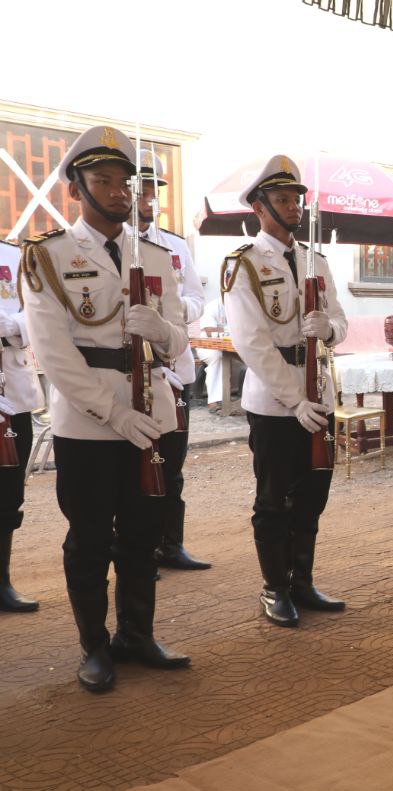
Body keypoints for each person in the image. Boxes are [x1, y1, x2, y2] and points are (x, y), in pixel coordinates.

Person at [21, 125, 191, 691]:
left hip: (152, 413)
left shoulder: (157, 256)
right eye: (103, 180)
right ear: (76, 189)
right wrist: (112, 413)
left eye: (125, 182)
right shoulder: (49, 256)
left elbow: (179, 339)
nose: (119, 191)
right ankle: (94, 645)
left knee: (143, 534)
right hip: (90, 425)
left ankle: (136, 635)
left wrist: (161, 329)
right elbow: (54, 354)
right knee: (90, 538)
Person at [223, 155, 349, 627]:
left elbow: (340, 320)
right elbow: (251, 342)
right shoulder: (244, 264)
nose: (293, 207)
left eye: (296, 199)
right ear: (259, 208)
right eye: (281, 199)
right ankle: (274, 587)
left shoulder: (317, 260)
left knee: (313, 494)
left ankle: (302, 582)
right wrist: (294, 400)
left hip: (318, 392)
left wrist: (328, 329)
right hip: (276, 402)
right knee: (273, 499)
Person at [132, 150, 210, 572]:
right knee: (134, 463)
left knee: (173, 460)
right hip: (132, 371)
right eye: (141, 190)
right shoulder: (115, 246)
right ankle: (136, 549)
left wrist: (172, 314)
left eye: (153, 190)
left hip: (175, 366)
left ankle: (171, 543)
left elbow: (196, 297)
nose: (149, 198)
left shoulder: (175, 245)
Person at [0, 238, 40, 612]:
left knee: (9, 491)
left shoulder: (16, 256)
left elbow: (40, 312)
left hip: (12, 389)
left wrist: (10, 323)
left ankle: (2, 582)